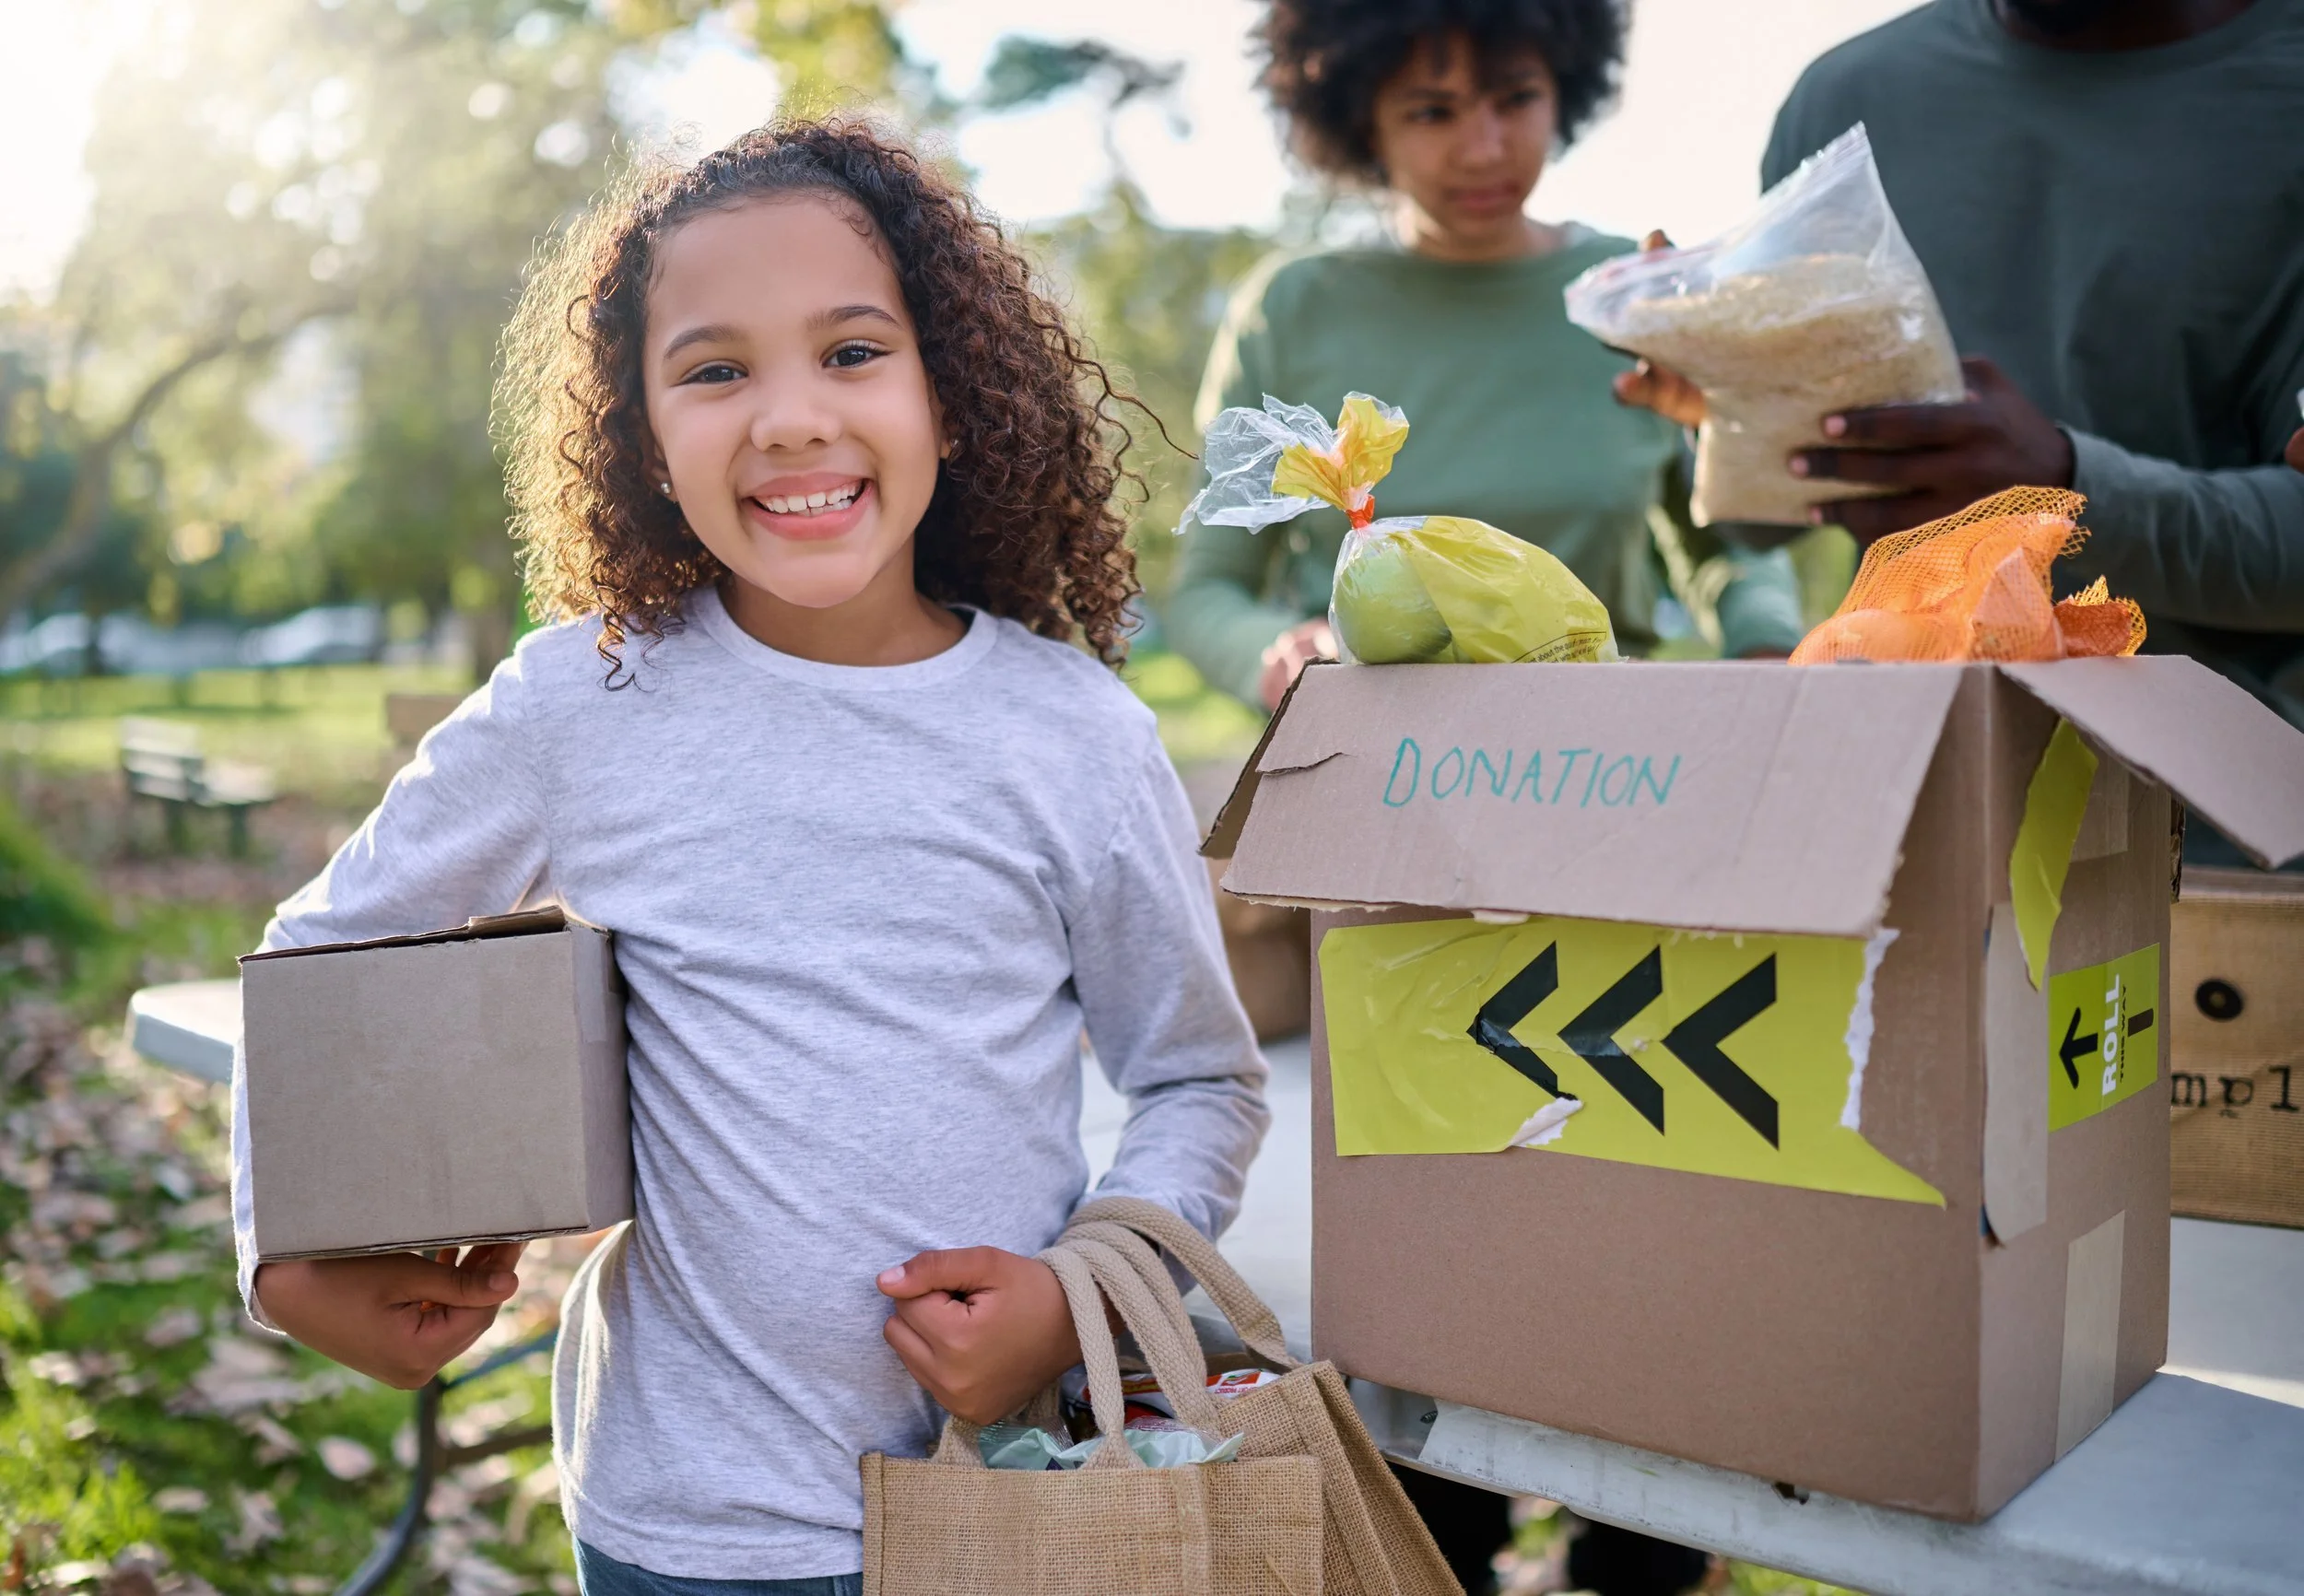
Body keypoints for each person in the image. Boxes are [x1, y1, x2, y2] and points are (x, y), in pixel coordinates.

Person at [231, 121, 1271, 1594]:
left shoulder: (1078, 736)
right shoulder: (581, 697)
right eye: (716, 371)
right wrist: (287, 1258)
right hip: (684, 1527)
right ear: (645, 438)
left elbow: (1196, 1080)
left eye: (853, 351)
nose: (787, 418)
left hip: (1014, 1505)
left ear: (953, 396)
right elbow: (318, 961)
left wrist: (1080, 1295)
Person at [1619, 0, 2304, 845]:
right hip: (1890, 840)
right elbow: (1767, 524)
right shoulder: (1846, 99)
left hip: (2217, 861)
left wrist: (2064, 491)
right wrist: (1735, 408)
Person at [1167, 0, 1807, 716]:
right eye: (1432, 113)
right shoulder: (1291, 310)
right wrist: (1280, 656)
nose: (1484, 148)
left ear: (1565, 89)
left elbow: (1733, 543)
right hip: (1369, 756)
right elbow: (1207, 589)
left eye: (1516, 99)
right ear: (1362, 120)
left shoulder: (1634, 295)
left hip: (1608, 747)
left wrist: (1766, 645)